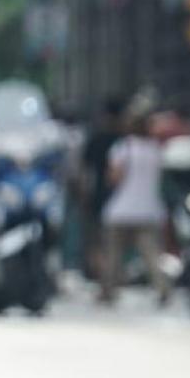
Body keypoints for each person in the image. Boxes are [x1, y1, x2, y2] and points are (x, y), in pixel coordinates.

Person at [101, 115, 169, 305]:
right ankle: (162, 287)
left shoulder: (124, 147)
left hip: (122, 208)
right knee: (151, 254)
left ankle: (108, 290)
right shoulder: (155, 149)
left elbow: (114, 177)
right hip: (148, 208)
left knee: (114, 253)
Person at [79, 97, 127, 280]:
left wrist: (83, 193)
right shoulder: (124, 140)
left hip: (100, 193)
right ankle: (112, 273)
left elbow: (85, 170)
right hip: (119, 194)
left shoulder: (98, 139)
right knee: (112, 240)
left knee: (99, 239)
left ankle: (103, 274)